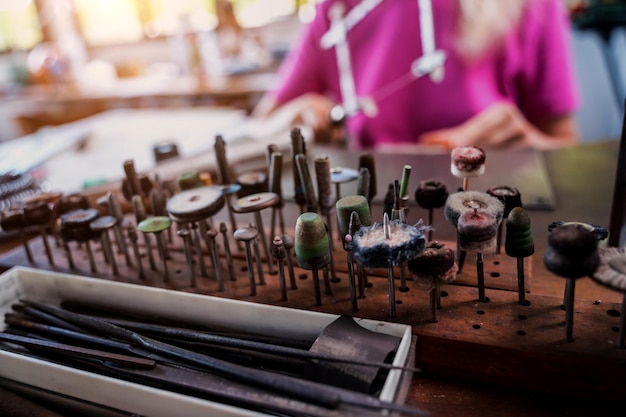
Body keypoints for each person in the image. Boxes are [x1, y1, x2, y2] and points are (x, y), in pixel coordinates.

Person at [252, 0, 580, 150]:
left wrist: (529, 143)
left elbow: (568, 146)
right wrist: (294, 116)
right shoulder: (335, 11)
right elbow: (258, 129)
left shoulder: (532, 6)